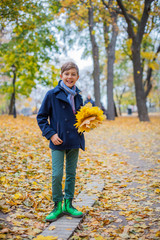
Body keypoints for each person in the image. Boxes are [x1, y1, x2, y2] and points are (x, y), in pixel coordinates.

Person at [37, 61, 85, 222]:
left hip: (74, 140)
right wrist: (50, 134)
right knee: (57, 174)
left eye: (73, 74)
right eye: (67, 74)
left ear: (77, 77)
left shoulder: (79, 96)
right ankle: (57, 205)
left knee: (71, 174)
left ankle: (68, 204)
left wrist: (86, 124)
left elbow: (80, 118)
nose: (69, 77)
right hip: (57, 141)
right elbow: (41, 117)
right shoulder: (52, 94)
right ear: (61, 76)